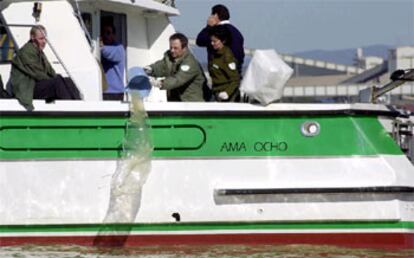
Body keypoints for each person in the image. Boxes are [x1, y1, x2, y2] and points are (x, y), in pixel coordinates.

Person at [10, 25, 80, 110]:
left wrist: (59, 78)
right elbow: (38, 74)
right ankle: (70, 110)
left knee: (66, 80)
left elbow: (50, 71)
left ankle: (78, 106)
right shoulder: (25, 52)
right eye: (41, 39)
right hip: (27, 88)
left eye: (45, 39)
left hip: (36, 84)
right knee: (57, 82)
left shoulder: (39, 52)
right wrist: (55, 79)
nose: (44, 41)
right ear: (32, 37)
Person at [144, 33, 206, 102]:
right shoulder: (170, 58)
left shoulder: (190, 63)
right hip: (174, 102)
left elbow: (177, 80)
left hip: (191, 103)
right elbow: (160, 67)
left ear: (184, 48)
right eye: (171, 47)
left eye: (175, 48)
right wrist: (149, 69)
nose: (172, 50)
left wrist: (160, 83)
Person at [196, 4, 245, 74]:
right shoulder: (237, 33)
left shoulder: (217, 31)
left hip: (220, 73)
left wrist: (208, 26)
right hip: (235, 73)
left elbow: (200, 41)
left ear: (215, 15)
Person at [208, 26, 240, 102]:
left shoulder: (227, 57)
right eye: (211, 41)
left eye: (215, 41)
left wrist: (227, 93)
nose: (212, 43)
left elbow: (235, 79)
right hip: (216, 92)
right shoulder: (214, 54)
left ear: (223, 41)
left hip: (227, 96)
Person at [100, 25, 126, 101]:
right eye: (103, 33)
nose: (105, 35)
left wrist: (99, 44)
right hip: (104, 91)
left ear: (114, 35)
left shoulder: (119, 48)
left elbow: (106, 52)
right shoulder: (103, 49)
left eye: (108, 33)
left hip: (114, 93)